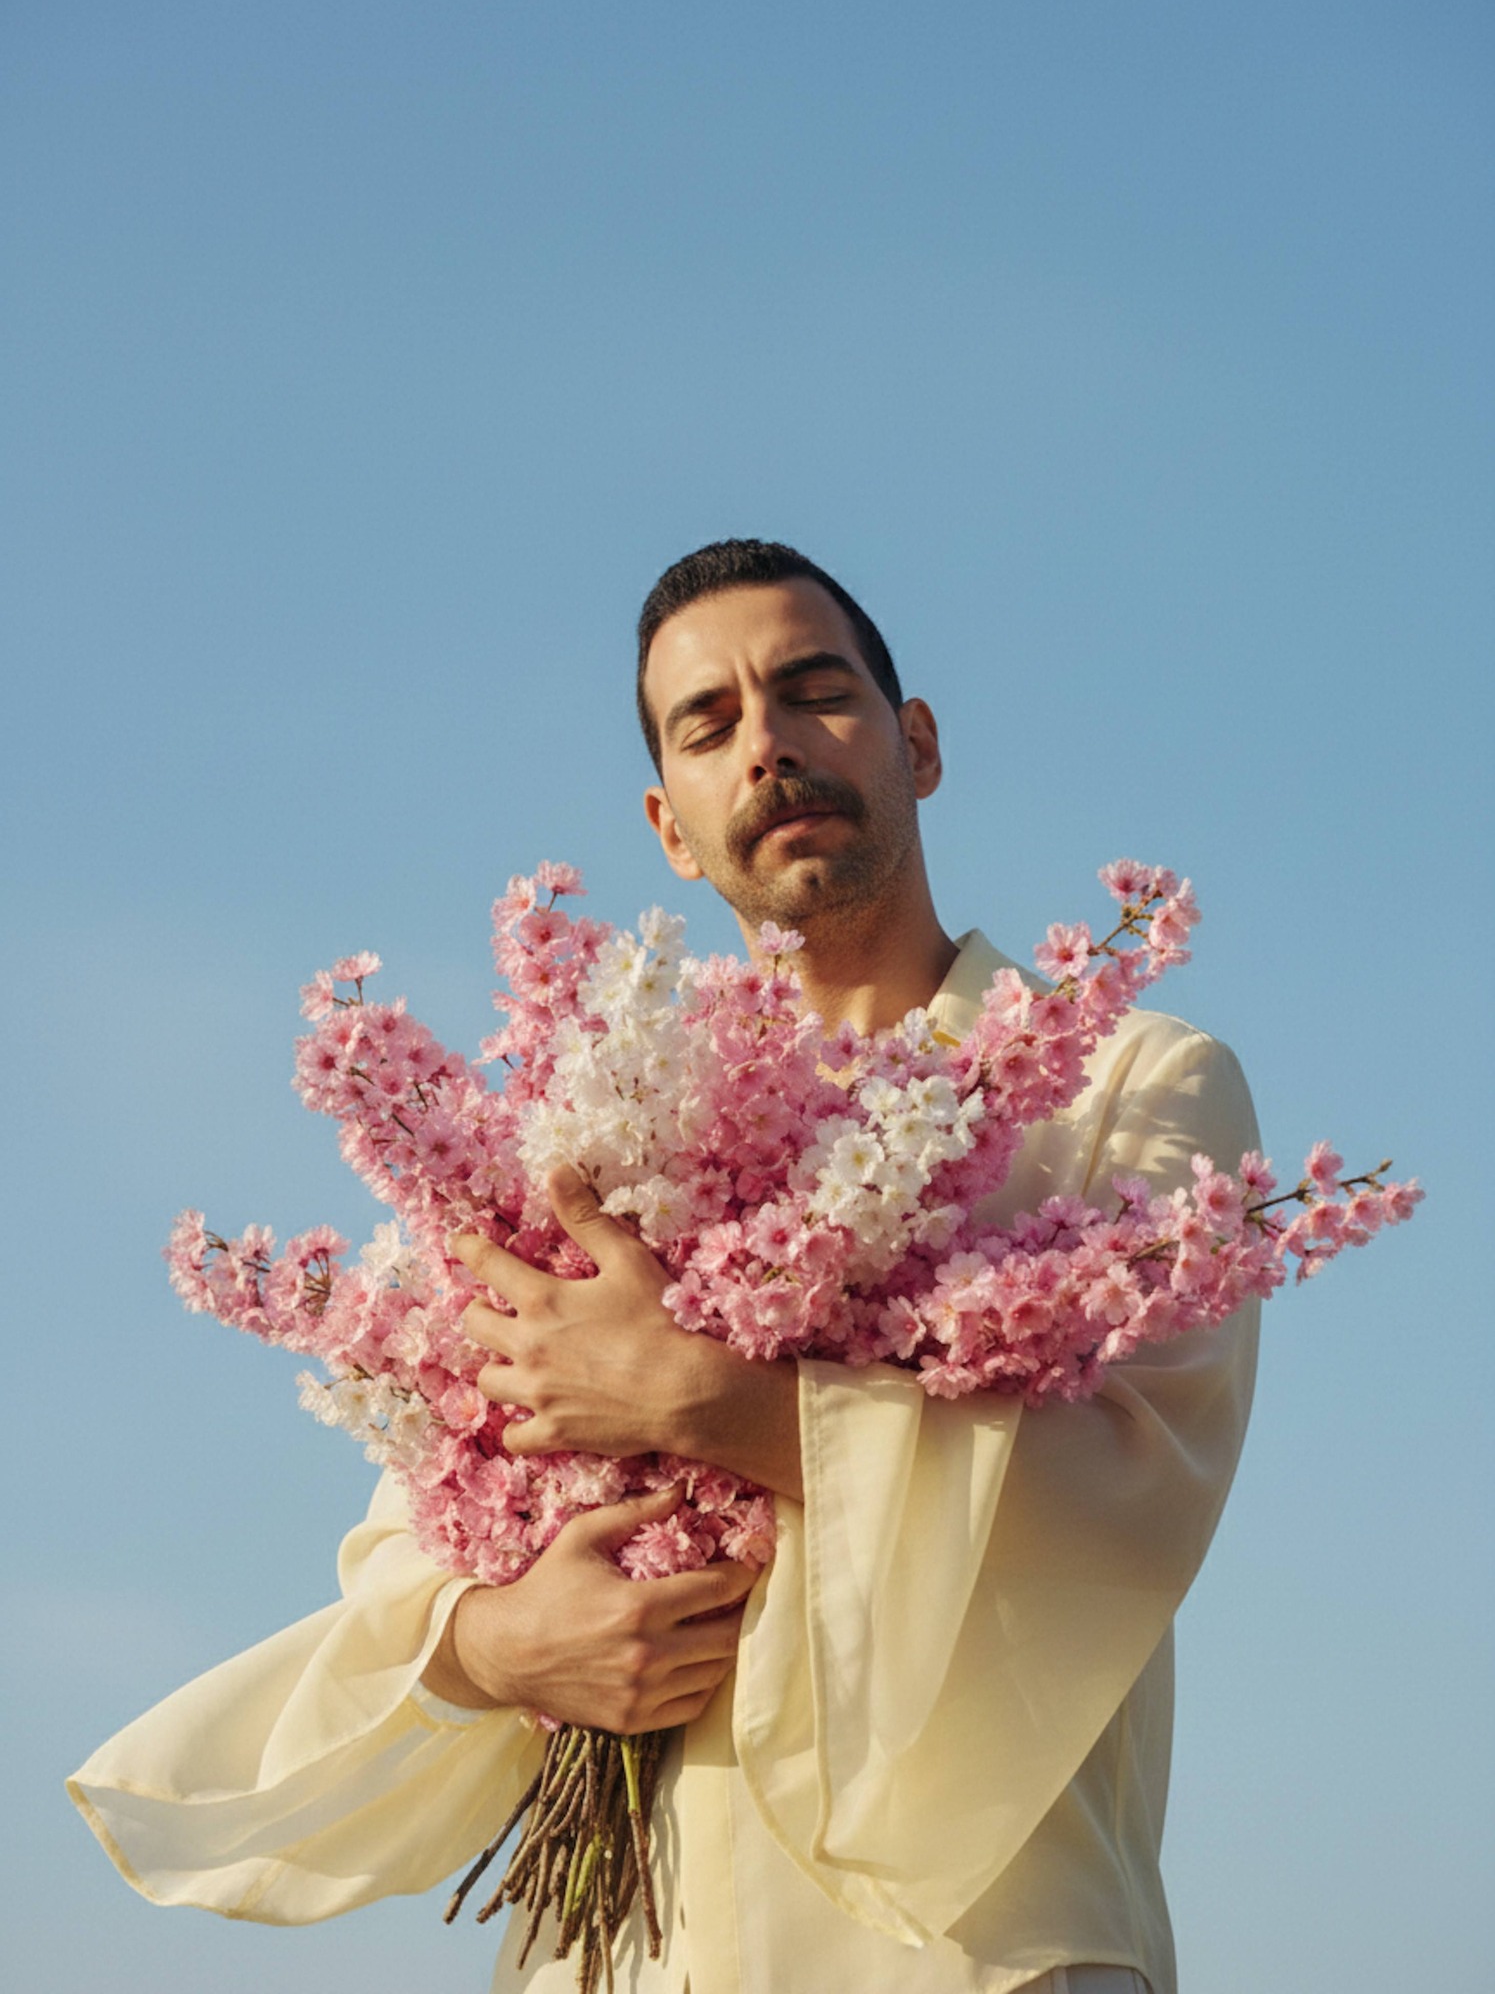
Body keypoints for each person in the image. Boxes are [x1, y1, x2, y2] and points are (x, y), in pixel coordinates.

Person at [70, 541, 1260, 1994]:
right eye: (710, 723)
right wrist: (500, 1642)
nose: (767, 744)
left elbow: (1132, 1491)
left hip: (971, 1956)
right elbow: (417, 1535)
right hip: (624, 1955)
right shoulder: (589, 1118)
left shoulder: (1128, 1084)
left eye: (816, 692)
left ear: (919, 743)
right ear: (669, 829)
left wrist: (701, 1399)